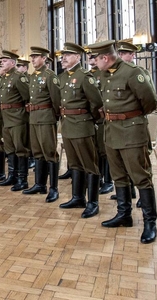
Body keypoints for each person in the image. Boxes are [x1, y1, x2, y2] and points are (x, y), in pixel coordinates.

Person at [91, 40, 157, 243]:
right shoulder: (104, 74)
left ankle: (150, 222)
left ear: (105, 57)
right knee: (119, 176)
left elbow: (150, 102)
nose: (93, 63)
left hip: (131, 132)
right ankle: (124, 214)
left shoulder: (132, 72)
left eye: (95, 59)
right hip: (111, 132)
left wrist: (130, 117)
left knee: (140, 177)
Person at [57, 42, 104, 219]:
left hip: (83, 125)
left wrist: (88, 119)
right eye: (63, 55)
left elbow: (97, 103)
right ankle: (77, 197)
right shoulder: (62, 77)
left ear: (78, 57)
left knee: (89, 164)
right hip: (68, 126)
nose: (63, 58)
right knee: (74, 163)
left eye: (67, 55)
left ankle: (93, 202)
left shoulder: (85, 76)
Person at [24, 46, 61, 201]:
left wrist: (55, 117)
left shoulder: (50, 76)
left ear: (44, 58)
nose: (32, 59)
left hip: (46, 118)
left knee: (49, 152)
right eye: (32, 57)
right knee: (37, 151)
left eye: (36, 57)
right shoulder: (33, 76)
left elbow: (56, 100)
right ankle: (40, 184)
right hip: (34, 117)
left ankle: (54, 188)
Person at [0, 50, 31, 191]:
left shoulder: (19, 77)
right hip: (6, 117)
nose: (1, 63)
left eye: (4, 61)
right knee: (9, 148)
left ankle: (22, 179)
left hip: (17, 118)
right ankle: (12, 175)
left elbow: (27, 97)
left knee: (20, 148)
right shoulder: (5, 78)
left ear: (12, 63)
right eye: (1, 61)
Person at [87, 50, 112, 195]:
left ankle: (108, 181)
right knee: (95, 149)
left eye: (93, 56)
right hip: (92, 118)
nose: (91, 59)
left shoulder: (105, 74)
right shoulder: (88, 75)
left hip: (103, 118)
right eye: (89, 56)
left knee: (104, 151)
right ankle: (99, 178)